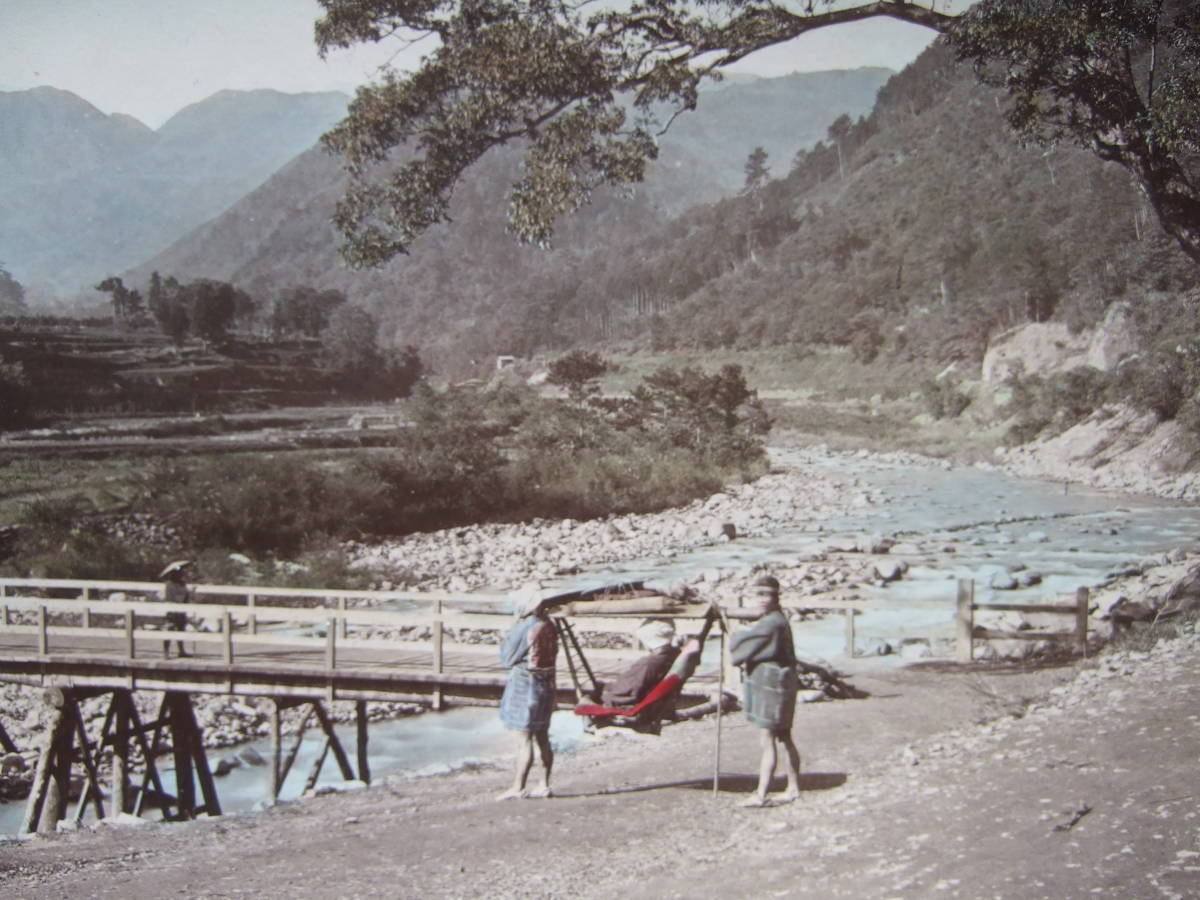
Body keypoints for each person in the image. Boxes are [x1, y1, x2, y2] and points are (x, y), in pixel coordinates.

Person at [729, 574, 801, 807]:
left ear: (776, 597)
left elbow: (743, 647)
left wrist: (734, 633)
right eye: (758, 594)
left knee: (768, 738)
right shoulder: (777, 618)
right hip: (783, 684)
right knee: (785, 737)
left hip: (773, 686)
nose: (762, 599)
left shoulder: (771, 623)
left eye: (767, 595)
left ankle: (761, 794)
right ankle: (793, 788)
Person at [497, 586, 558, 800]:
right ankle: (544, 784)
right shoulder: (550, 625)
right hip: (547, 683)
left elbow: (507, 659)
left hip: (525, 683)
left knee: (524, 738)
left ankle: (518, 786)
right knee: (542, 735)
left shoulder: (526, 627)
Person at [594, 619, 699, 708]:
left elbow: (630, 690)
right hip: (649, 697)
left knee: (589, 697)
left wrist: (607, 689)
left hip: (633, 703)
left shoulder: (650, 663)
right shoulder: (672, 656)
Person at [159, 559, 194, 658]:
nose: (181, 574)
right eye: (179, 572)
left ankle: (181, 650)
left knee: (181, 628)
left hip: (182, 609)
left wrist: (189, 596)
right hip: (172, 610)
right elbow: (170, 598)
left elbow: (186, 596)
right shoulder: (169, 584)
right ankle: (166, 652)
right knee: (170, 629)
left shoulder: (183, 584)